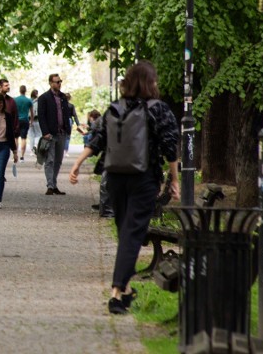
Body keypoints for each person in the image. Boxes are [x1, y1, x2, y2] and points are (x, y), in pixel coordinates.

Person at [68, 60, 180, 315]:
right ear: (150, 82)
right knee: (131, 235)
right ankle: (117, 293)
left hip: (115, 178)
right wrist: (173, 180)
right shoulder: (158, 109)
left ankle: (125, 289)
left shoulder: (114, 108)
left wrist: (77, 163)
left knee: (125, 234)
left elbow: (97, 140)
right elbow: (170, 146)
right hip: (143, 179)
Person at [37, 73, 71, 195]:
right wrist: (45, 132)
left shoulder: (63, 97)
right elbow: (41, 116)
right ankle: (50, 185)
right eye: (57, 82)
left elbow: (67, 114)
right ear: (51, 83)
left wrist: (68, 130)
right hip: (50, 134)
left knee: (58, 160)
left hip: (62, 133)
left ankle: (54, 184)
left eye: (60, 81)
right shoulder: (44, 98)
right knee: (49, 160)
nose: (59, 83)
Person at [13, 85, 34, 161]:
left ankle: (15, 155)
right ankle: (22, 156)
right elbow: (32, 112)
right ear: (25, 91)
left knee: (15, 138)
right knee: (23, 138)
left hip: (17, 120)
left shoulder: (15, 100)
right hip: (25, 120)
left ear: (19, 90)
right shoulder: (29, 101)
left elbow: (13, 111)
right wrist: (31, 121)